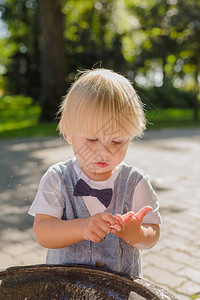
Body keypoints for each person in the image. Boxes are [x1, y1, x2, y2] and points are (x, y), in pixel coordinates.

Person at [28, 68, 161, 277]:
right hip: (66, 288)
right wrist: (81, 228)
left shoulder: (135, 182)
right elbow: (43, 232)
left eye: (117, 141)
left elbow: (152, 232)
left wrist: (138, 234)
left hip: (119, 291)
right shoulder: (57, 178)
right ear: (68, 132)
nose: (104, 152)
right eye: (92, 140)